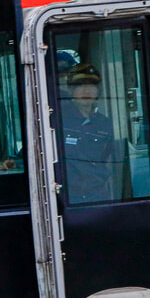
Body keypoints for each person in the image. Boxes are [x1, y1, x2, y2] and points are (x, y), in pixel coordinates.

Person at [58, 63, 124, 203]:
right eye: (80, 86)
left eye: (92, 86)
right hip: (68, 198)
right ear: (70, 91)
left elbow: (107, 157)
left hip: (98, 196)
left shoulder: (105, 124)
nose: (87, 91)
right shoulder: (59, 121)